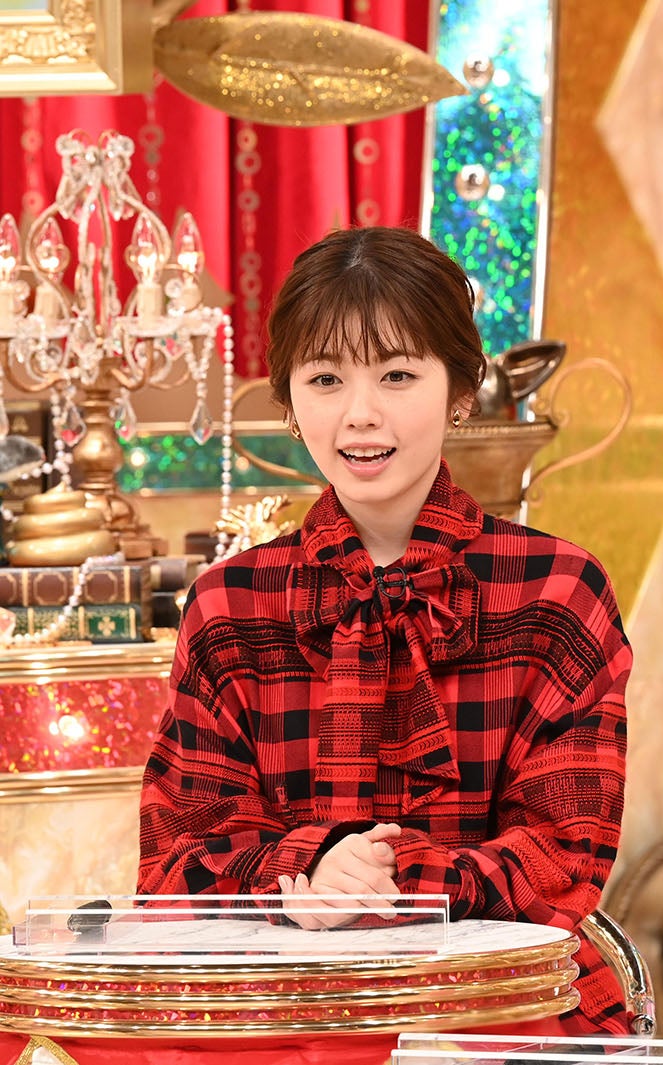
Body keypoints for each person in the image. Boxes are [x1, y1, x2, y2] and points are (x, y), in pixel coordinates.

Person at [138, 226, 633, 1034]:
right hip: (280, 1022)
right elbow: (174, 866)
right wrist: (308, 870)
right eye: (325, 378)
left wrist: (393, 879)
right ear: (290, 400)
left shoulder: (558, 591)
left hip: (499, 1014)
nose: (360, 415)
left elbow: (563, 859)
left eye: (398, 374)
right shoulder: (229, 606)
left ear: (461, 391)